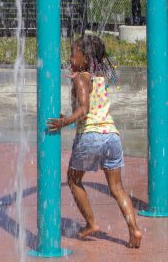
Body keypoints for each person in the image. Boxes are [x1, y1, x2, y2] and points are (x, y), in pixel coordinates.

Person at [47, 34, 141, 248]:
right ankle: (134, 229)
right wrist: (68, 118)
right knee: (117, 188)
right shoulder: (100, 79)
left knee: (73, 178)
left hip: (91, 136)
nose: (70, 59)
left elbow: (84, 110)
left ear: (86, 59)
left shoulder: (81, 77)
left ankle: (91, 224)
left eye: (73, 55)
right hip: (111, 136)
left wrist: (64, 123)